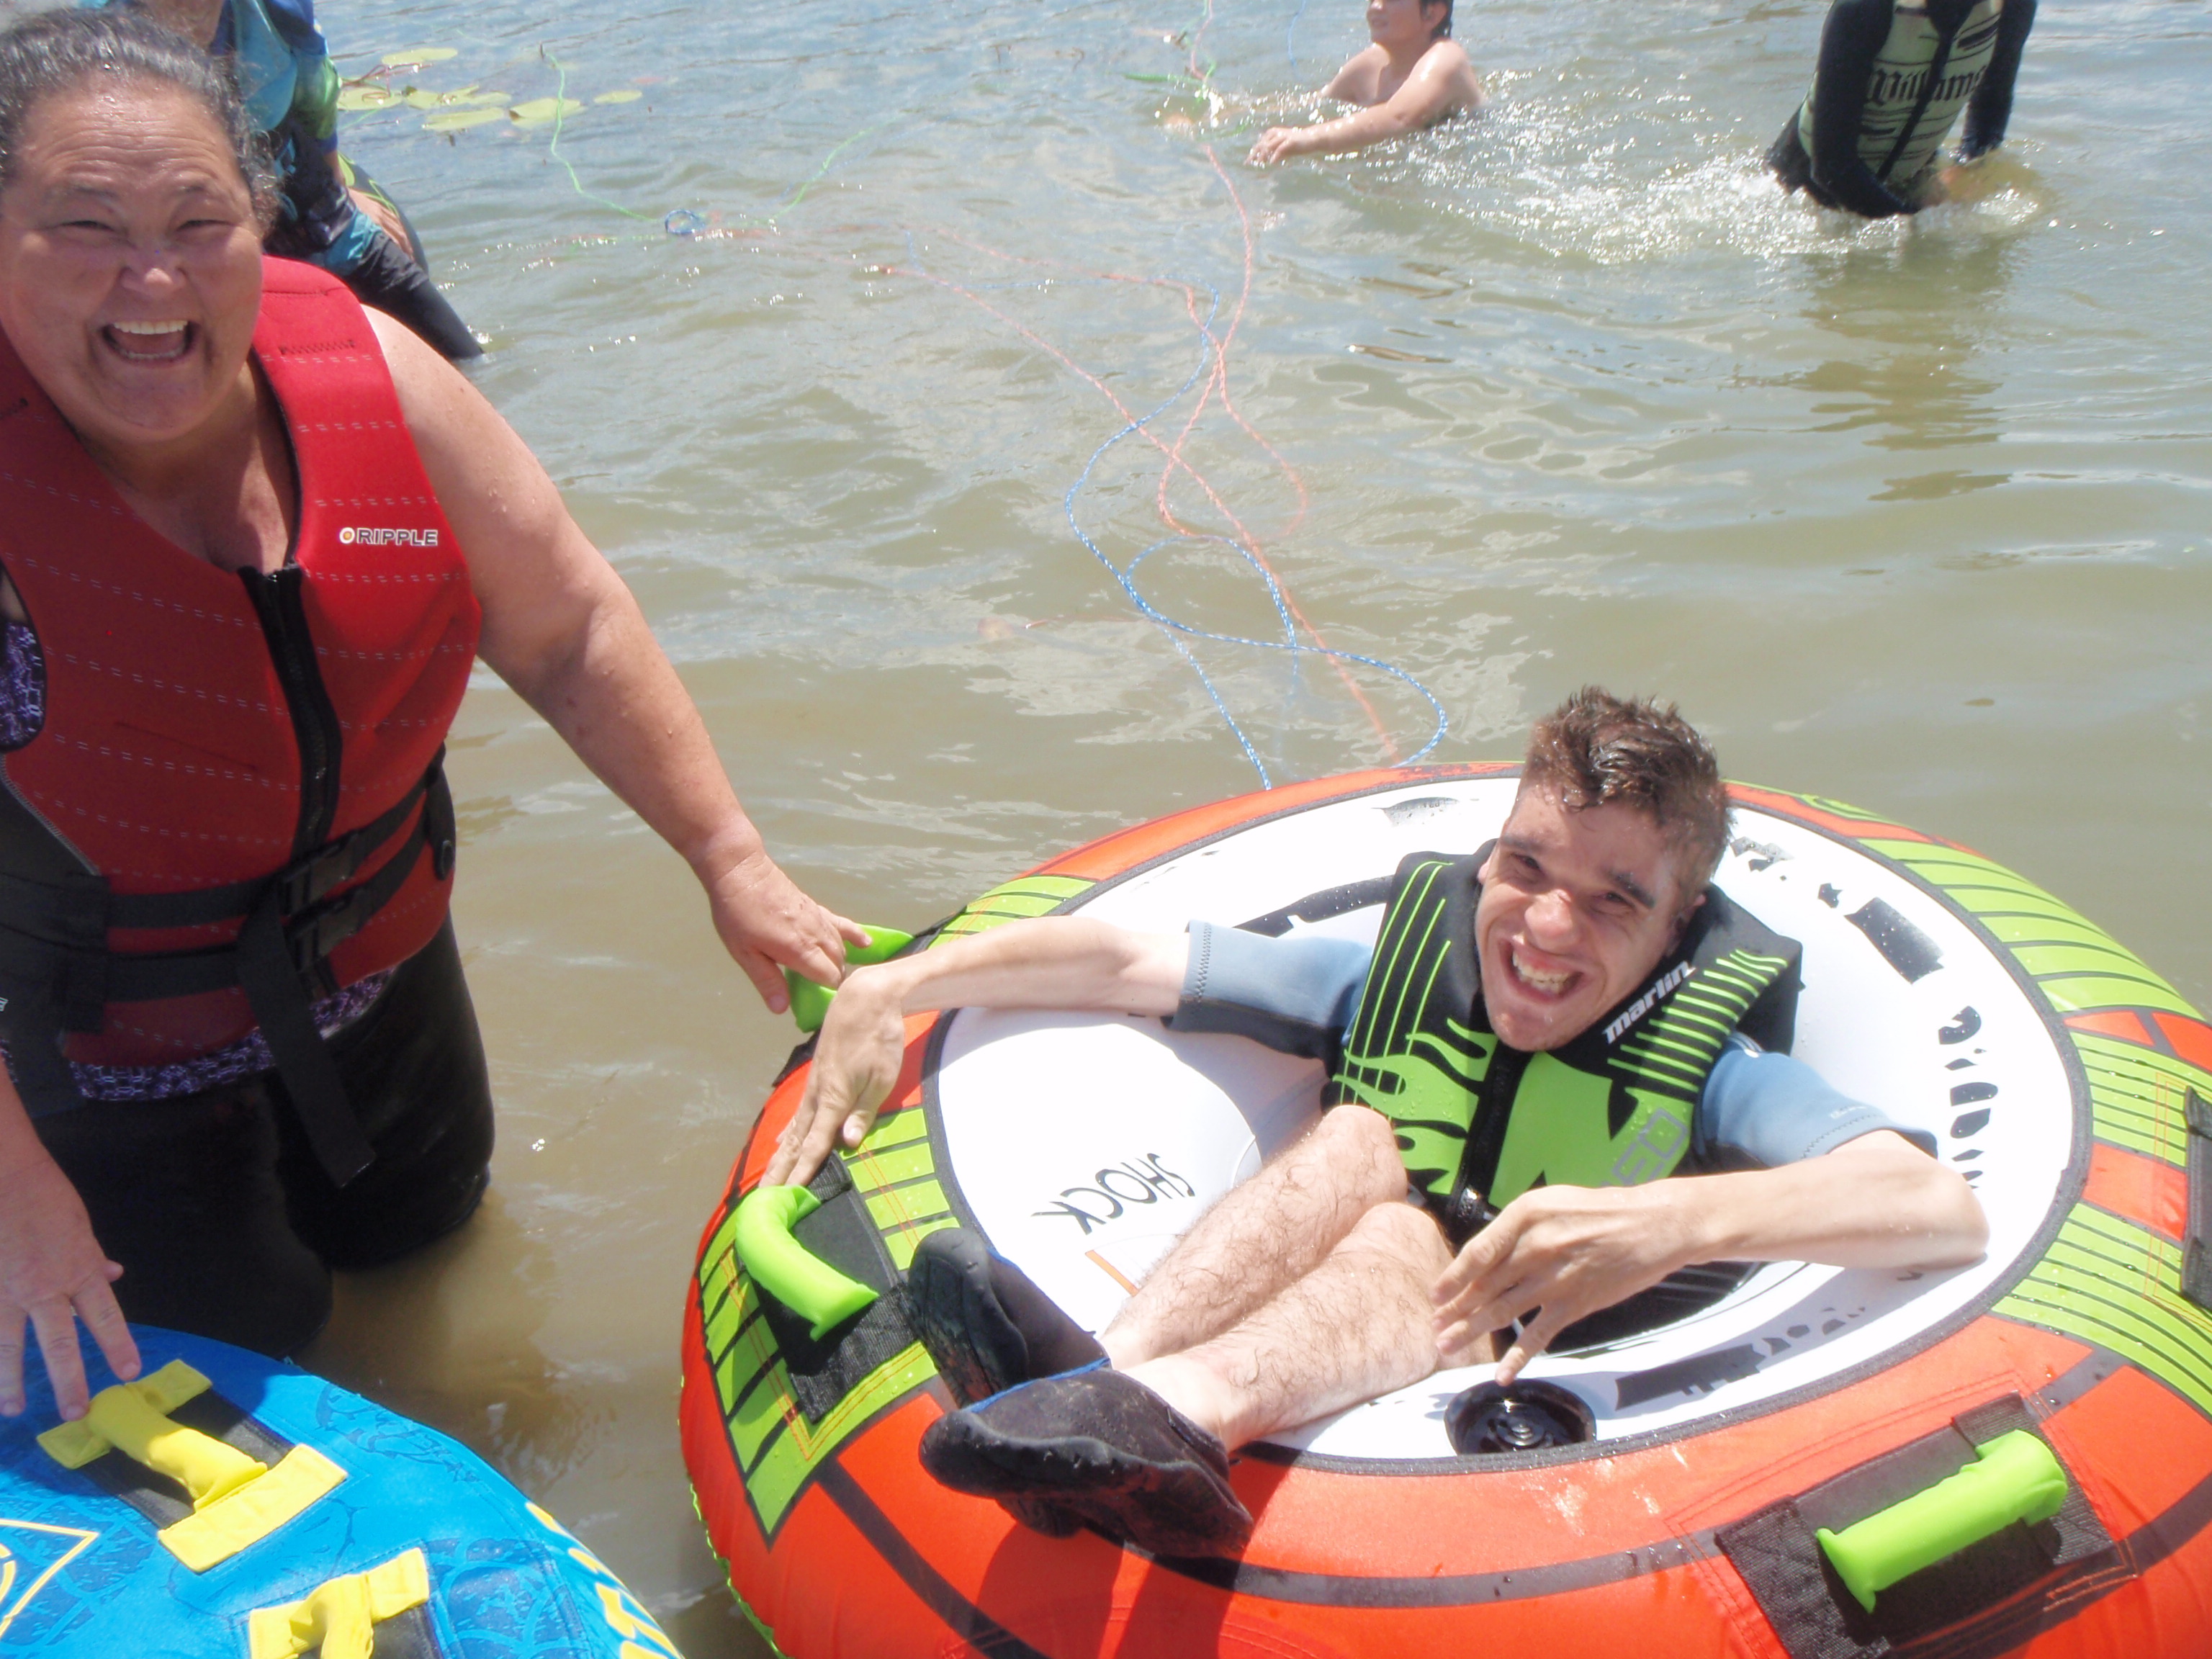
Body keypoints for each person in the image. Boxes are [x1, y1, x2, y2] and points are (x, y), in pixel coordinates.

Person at [0, 9, 864, 1420]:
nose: (150, 279)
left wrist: (732, 860)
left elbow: (572, 624)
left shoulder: (368, 375)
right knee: (226, 1378)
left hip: (383, 974)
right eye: (84, 225)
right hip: (102, 1074)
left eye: (197, 219)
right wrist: (16, 1196)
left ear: (261, 223)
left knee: (443, 1271)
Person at [767, 688, 1988, 1557]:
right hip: (1365, 1287)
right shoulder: (1395, 982)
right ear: (1487, 860)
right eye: (1527, 870)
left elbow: (1936, 1205)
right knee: (1360, 1137)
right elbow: (1128, 957)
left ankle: (1164, 1406)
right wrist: (897, 981)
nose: (1548, 928)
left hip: (1561, 1379)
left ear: (1677, 930)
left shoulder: (1718, 1068)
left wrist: (1664, 1218)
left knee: (1407, 1241)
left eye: (1614, 899)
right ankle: (1100, 1384)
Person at [89, 0, 482, 358]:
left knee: (458, 353)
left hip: (298, 192)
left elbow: (316, 94)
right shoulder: (98, 38)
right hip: (194, 233)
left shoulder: (276, 12)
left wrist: (343, 190)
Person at [1768, 0, 2037, 219]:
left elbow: (1989, 116)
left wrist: (1963, 173)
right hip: (1797, 197)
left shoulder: (2012, 7)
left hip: (1906, 185)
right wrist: (1919, 221)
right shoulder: (1863, 9)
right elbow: (1832, 167)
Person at [1249, 0, 1483, 167]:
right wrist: (1231, 115)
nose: (1376, 7)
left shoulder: (1447, 59)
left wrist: (1307, 138)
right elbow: (1312, 105)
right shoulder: (1368, 66)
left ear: (1431, 14)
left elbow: (1399, 118)